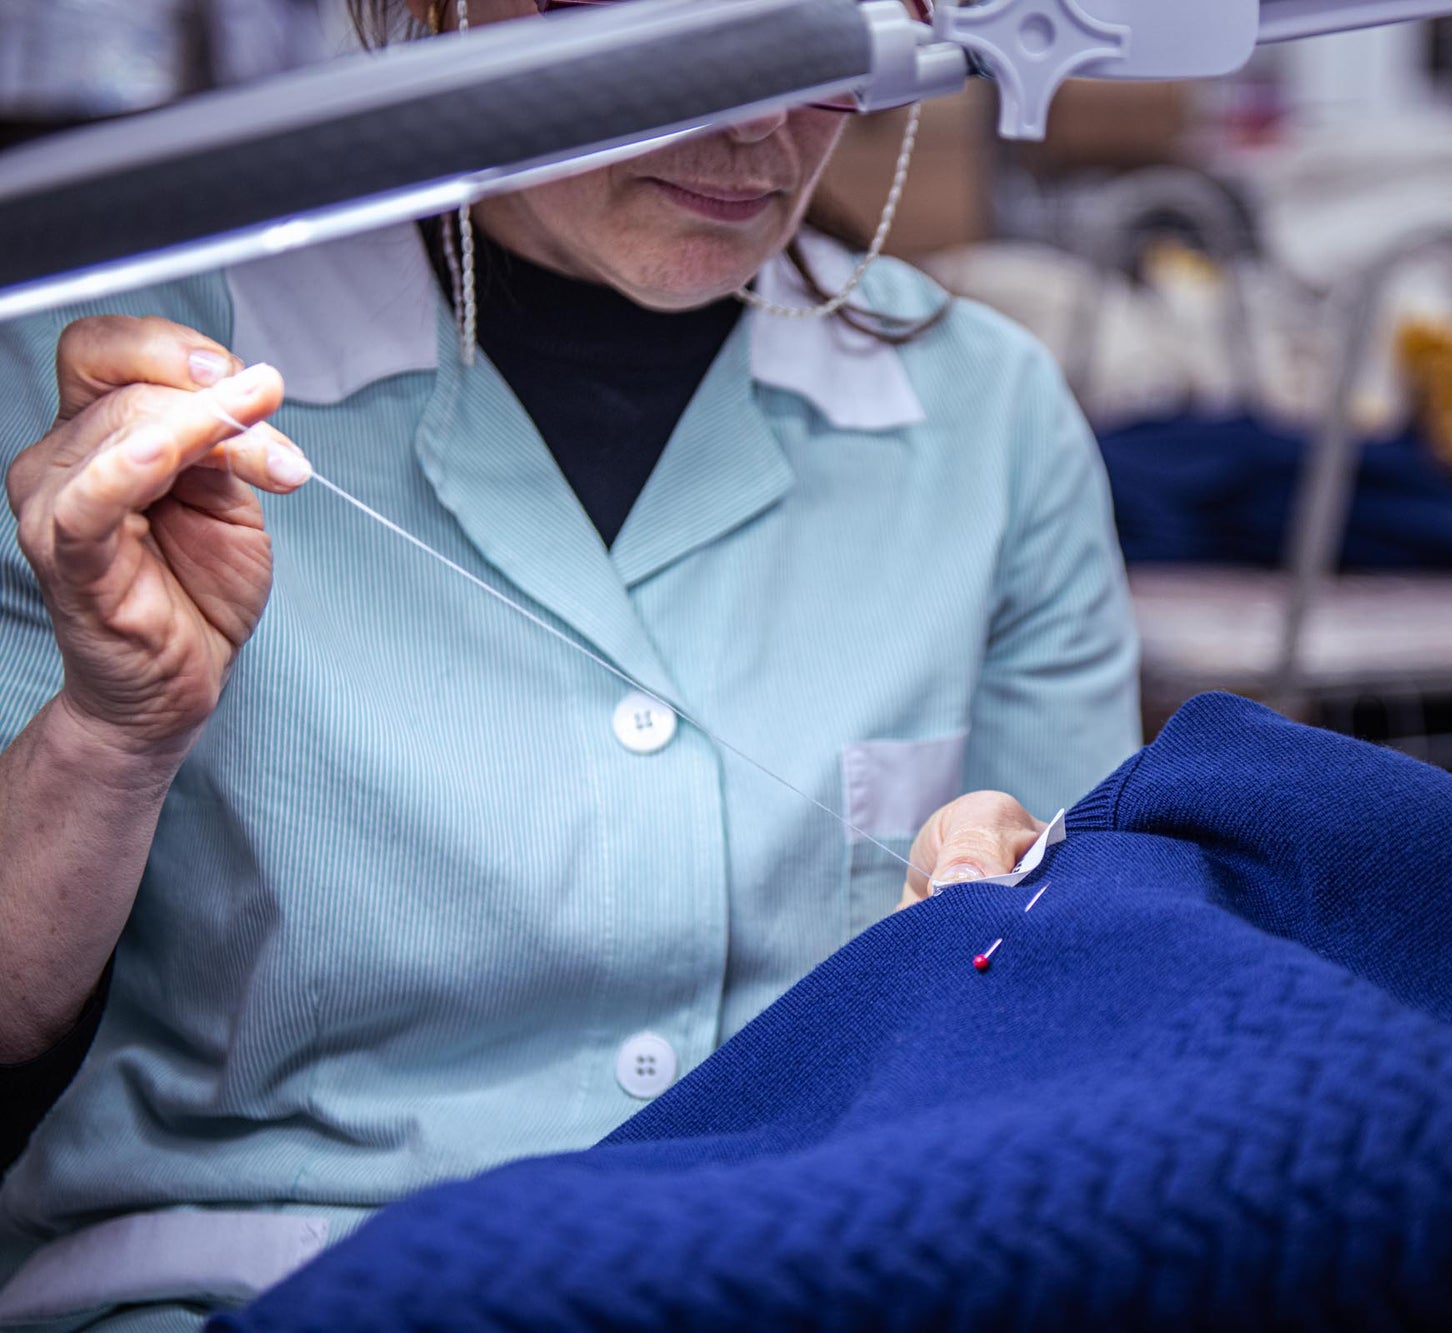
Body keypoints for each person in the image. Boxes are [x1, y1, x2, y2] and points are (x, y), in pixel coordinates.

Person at [0, 0, 1139, 1324]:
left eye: (822, 22)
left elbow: (1085, 1046)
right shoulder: (108, 397)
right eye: (652, 12)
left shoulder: (987, 418)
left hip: (803, 1271)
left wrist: (1012, 933)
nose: (761, 115)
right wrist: (109, 737)